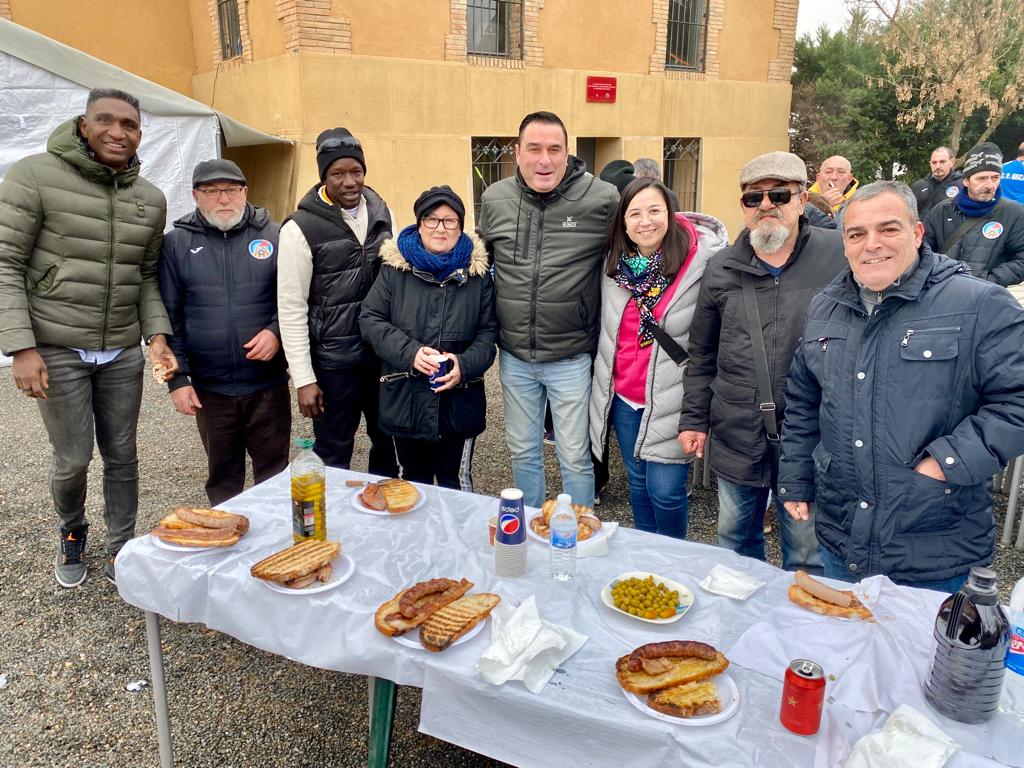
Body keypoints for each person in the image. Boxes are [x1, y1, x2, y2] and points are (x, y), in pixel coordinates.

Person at [778, 181, 1024, 592]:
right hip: (842, 535)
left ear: (917, 232)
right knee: (847, 632)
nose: (872, 244)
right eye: (857, 234)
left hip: (934, 544)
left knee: (929, 639)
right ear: (845, 244)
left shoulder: (980, 304)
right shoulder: (825, 306)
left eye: (888, 229)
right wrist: (797, 477)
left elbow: (1016, 400)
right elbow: (804, 400)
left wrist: (945, 464)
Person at [0, 88, 177, 587]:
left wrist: (157, 335)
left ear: (139, 134)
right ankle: (72, 529)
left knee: (123, 455)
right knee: (73, 457)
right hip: (56, 346)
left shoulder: (149, 199)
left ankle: (122, 544)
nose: (118, 132)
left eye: (130, 125)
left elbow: (145, 277)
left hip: (121, 350)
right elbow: (6, 263)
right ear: (83, 125)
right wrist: (21, 347)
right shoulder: (34, 176)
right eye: (106, 120)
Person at [677, 151, 845, 573]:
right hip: (737, 425)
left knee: (806, 553)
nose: (766, 205)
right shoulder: (721, 266)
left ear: (802, 199)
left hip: (809, 430)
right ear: (743, 206)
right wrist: (694, 419)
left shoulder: (838, 256)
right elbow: (702, 352)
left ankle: (796, 616)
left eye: (779, 195)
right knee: (734, 542)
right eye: (754, 197)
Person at [477, 111, 619, 509]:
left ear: (567, 152)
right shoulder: (495, 199)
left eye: (554, 149)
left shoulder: (602, 198)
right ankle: (531, 530)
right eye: (534, 149)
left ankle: (580, 529)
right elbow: (480, 263)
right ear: (517, 152)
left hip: (571, 356)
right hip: (515, 355)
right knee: (523, 451)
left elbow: (636, 246)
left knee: (575, 455)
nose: (544, 160)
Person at [589, 178, 727, 537]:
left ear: (671, 212)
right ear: (623, 222)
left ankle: (672, 556)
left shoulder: (699, 264)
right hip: (625, 396)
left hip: (672, 397)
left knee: (665, 491)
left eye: (654, 210)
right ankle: (645, 553)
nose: (645, 221)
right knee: (637, 483)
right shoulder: (614, 266)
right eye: (634, 214)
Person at [159, 159, 290, 505]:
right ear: (195, 196)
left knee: (275, 475)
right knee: (223, 478)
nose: (223, 198)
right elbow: (169, 317)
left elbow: (295, 300)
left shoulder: (275, 236)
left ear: (245, 192)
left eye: (231, 189)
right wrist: (177, 380)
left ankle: (275, 535)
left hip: (267, 385)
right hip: (211, 388)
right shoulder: (176, 244)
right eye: (212, 191)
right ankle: (227, 533)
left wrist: (276, 332)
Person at [277, 128, 399, 476]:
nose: (349, 182)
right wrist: (304, 379)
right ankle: (332, 510)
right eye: (337, 173)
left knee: (388, 442)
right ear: (323, 177)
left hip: (380, 356)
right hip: (333, 363)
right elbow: (291, 307)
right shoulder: (300, 228)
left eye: (356, 171)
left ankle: (381, 504)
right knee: (333, 450)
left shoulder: (382, 212)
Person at [359, 186, 497, 489]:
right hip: (405, 398)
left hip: (459, 402)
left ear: (460, 226)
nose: (440, 228)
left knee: (455, 484)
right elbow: (370, 320)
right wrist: (410, 352)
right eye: (431, 219)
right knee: (410, 484)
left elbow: (488, 334)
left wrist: (463, 364)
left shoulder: (477, 275)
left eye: (450, 221)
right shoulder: (395, 270)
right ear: (419, 223)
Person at [923, 142, 1024, 287]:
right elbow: (923, 252)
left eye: (995, 178)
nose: (989, 185)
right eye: (981, 178)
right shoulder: (941, 211)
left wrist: (991, 280)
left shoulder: (1014, 213)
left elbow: (1021, 258)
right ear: (966, 181)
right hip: (943, 292)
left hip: (987, 295)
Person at [910, 146, 963, 216]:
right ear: (930, 164)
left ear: (952, 162)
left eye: (942, 162)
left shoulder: (962, 185)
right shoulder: (917, 187)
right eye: (934, 162)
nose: (938, 166)